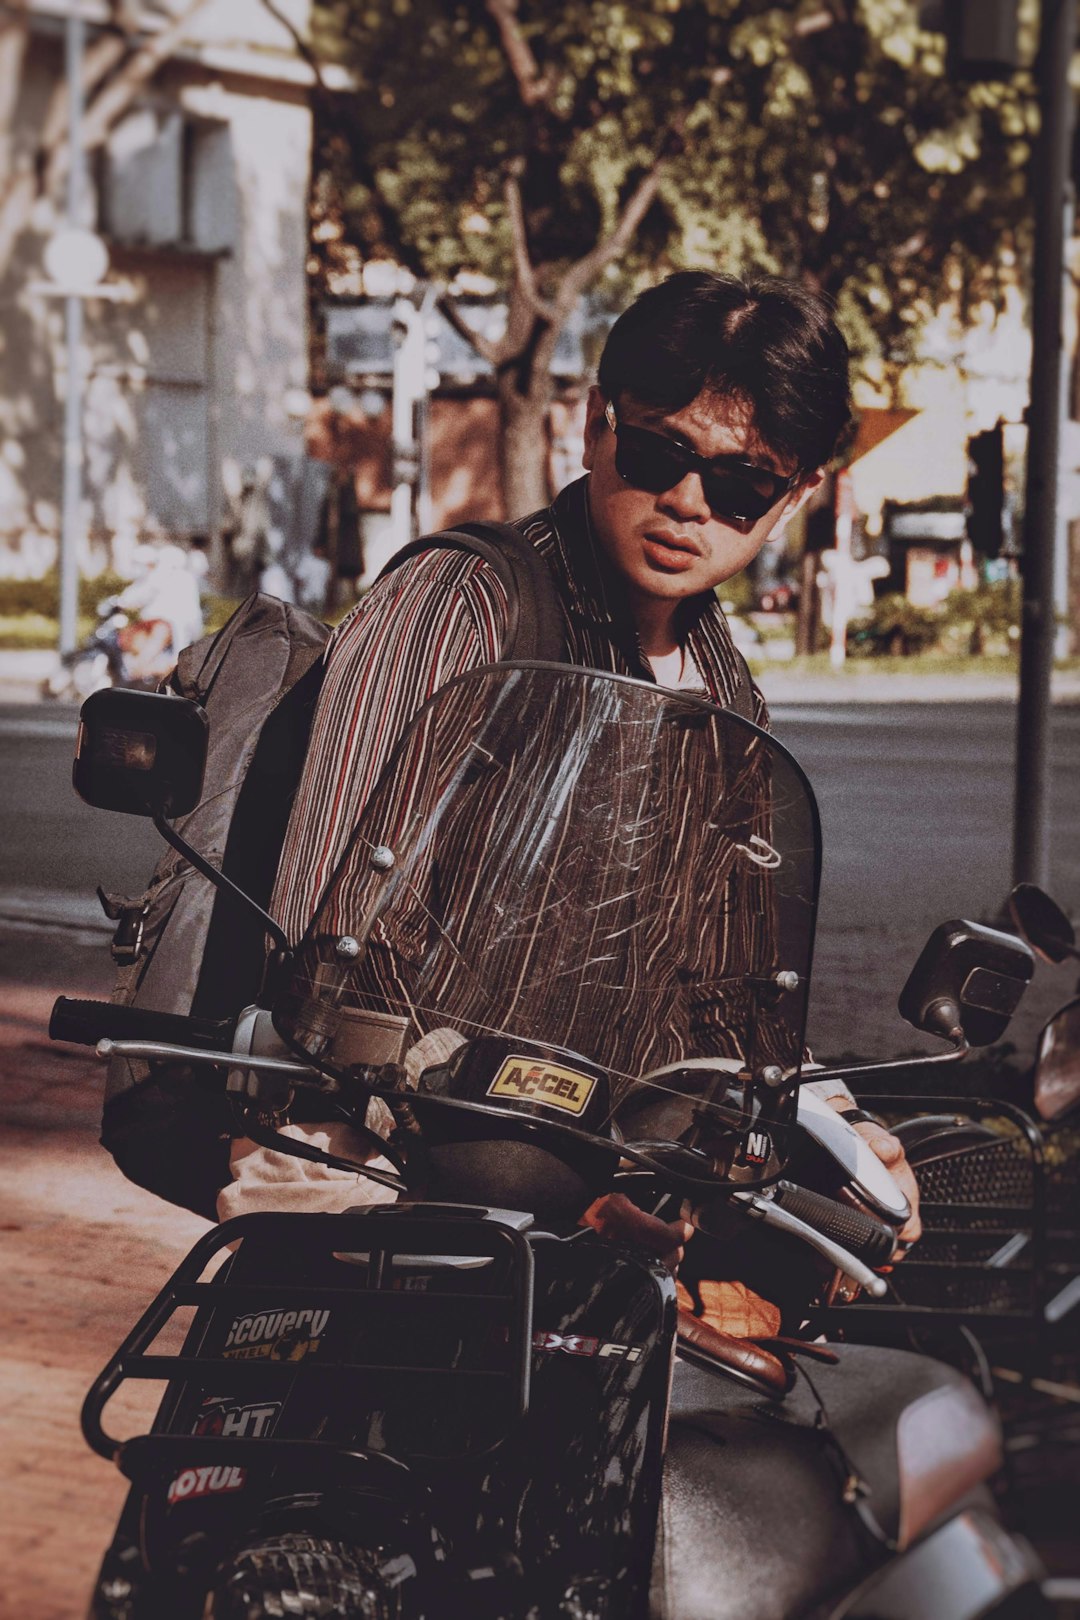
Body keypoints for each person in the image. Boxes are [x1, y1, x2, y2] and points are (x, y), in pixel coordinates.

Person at [224, 271, 920, 1331]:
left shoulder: (727, 697)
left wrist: (833, 1122)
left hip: (579, 1186)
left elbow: (726, 1002)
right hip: (370, 1166)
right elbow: (335, 969)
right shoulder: (464, 604)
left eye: (741, 487)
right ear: (595, 426)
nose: (689, 504)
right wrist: (543, 1178)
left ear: (798, 496)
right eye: (658, 455)